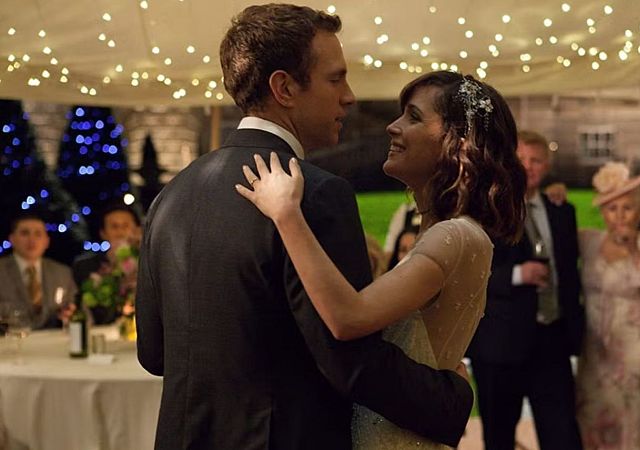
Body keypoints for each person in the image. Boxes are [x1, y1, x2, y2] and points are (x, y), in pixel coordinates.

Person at [135, 6, 477, 450]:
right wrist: (449, 399)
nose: (349, 97)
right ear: (284, 88)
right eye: (335, 79)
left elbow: (154, 353)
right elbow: (351, 360)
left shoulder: (171, 196)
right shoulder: (315, 193)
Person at [236, 70, 527, 448]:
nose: (393, 126)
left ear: (457, 143)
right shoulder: (446, 234)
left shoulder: (454, 236)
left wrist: (287, 215)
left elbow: (348, 318)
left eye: (413, 117)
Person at [466, 130, 583, 450]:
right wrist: (517, 274)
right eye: (521, 159)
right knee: (499, 438)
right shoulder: (486, 209)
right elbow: (467, 273)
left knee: (563, 436)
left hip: (552, 340)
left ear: (547, 167)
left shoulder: (562, 210)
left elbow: (570, 273)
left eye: (536, 160)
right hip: (501, 343)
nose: (528, 166)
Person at [575, 162, 640, 450]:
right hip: (596, 345)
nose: (619, 216)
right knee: (592, 411)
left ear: (638, 211)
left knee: (632, 416)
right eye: (611, 208)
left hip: (637, 345)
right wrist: (555, 195)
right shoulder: (589, 241)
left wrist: (634, 251)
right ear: (603, 212)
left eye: (627, 208)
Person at [0, 213, 77, 329]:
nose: (32, 240)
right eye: (25, 233)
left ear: (47, 241)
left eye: (38, 234)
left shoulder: (62, 273)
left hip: (53, 338)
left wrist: (71, 314)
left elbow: (80, 312)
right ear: (12, 239)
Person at [72, 203, 141, 286]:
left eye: (125, 226)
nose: (120, 232)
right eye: (114, 226)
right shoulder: (85, 267)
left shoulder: (146, 262)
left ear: (137, 230)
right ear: (103, 233)